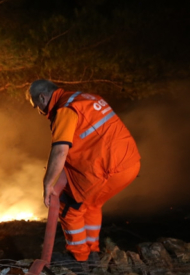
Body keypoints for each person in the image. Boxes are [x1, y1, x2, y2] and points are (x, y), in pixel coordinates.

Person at [27, 79, 140, 263]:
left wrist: (47, 184)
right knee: (91, 204)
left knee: (68, 207)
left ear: (42, 97)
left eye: (36, 105)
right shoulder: (86, 98)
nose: (38, 110)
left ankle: (79, 259)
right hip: (130, 163)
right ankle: (93, 253)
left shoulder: (65, 110)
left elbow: (60, 150)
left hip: (107, 169)